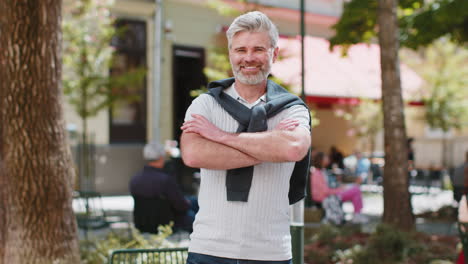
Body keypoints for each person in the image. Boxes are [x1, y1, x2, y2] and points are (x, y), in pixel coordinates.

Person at [180, 11, 311, 264]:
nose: (249, 58)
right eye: (241, 50)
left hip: (271, 252)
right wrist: (270, 146)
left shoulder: (292, 109)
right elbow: (194, 154)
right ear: (231, 54)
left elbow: (293, 149)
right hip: (209, 249)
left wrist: (219, 136)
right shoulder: (205, 105)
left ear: (274, 54)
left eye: (258, 49)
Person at [129, 142, 196, 234]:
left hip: (143, 223)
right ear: (161, 157)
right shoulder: (165, 180)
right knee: (193, 210)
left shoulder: (135, 179)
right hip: (166, 223)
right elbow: (182, 206)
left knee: (192, 201)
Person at [310, 152, 368, 224]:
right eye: (326, 158)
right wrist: (339, 190)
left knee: (355, 188)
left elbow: (328, 186)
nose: (328, 159)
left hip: (330, 194)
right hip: (326, 196)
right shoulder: (317, 174)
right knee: (356, 190)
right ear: (320, 160)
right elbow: (325, 191)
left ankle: (357, 214)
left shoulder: (322, 171)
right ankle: (357, 214)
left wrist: (340, 187)